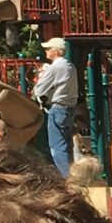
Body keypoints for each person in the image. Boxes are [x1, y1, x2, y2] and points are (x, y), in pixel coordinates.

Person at [33, 36, 78, 176]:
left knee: (57, 146)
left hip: (57, 108)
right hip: (69, 108)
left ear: (56, 52)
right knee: (67, 144)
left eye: (48, 49)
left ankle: (65, 179)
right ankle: (72, 175)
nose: (46, 51)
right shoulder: (71, 66)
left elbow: (39, 89)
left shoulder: (55, 67)